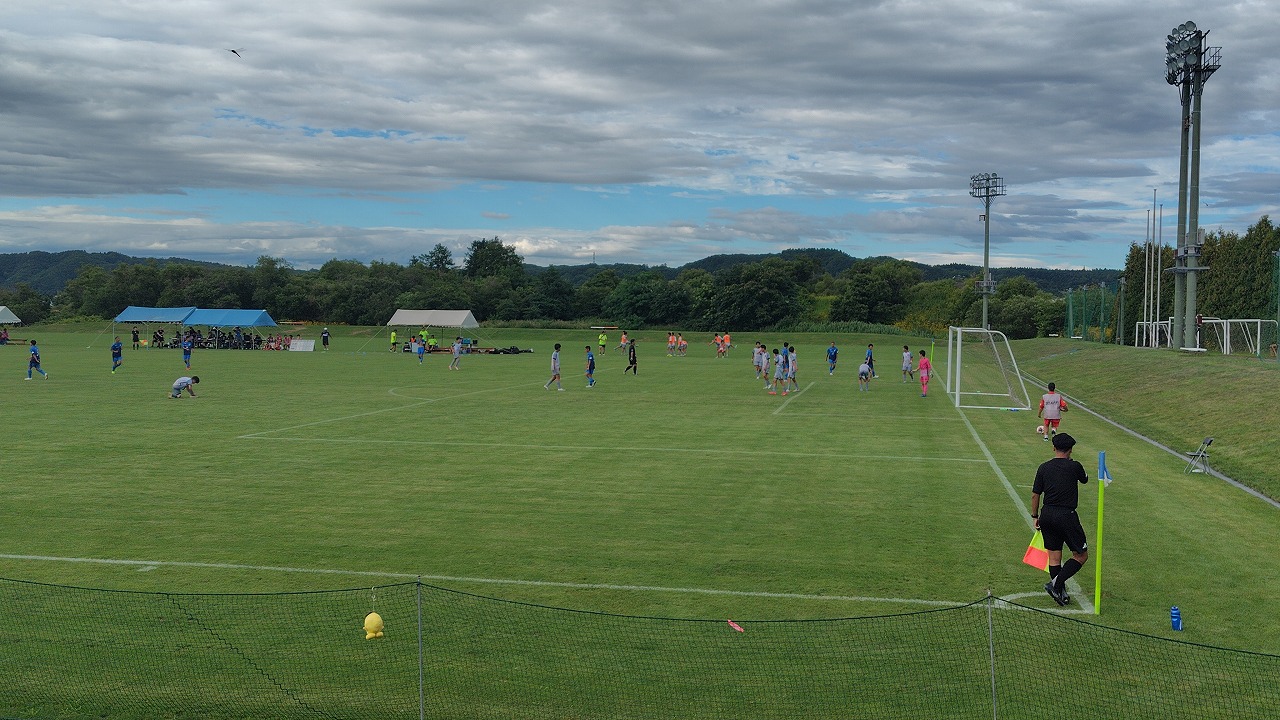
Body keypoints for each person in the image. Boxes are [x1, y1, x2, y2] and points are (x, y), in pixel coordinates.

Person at [1030, 433, 1089, 606]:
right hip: (1066, 515)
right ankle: (1054, 584)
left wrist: (1035, 516)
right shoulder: (1075, 466)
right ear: (1070, 449)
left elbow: (1035, 495)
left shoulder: (1043, 467)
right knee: (1081, 555)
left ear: (1053, 448)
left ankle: (1060, 593)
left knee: (1054, 557)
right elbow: (1085, 479)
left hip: (1046, 514)